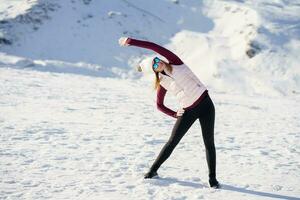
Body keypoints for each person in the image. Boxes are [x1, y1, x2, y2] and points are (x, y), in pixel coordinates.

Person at [119, 37, 220, 188]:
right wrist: (174, 114)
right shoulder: (162, 83)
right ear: (153, 71)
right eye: (154, 65)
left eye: (156, 60)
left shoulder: (175, 62)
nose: (157, 63)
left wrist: (131, 41)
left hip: (206, 105)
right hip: (188, 111)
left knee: (209, 143)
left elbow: (153, 45)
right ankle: (152, 171)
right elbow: (159, 105)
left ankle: (212, 179)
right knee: (172, 142)